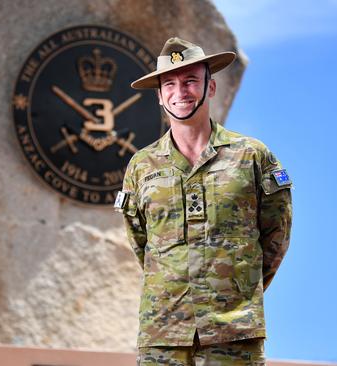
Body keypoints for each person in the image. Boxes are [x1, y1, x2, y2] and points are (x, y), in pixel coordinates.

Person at [114, 37, 293, 366]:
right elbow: (141, 243)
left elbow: (276, 234)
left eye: (190, 81)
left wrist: (237, 289)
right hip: (163, 332)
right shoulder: (141, 166)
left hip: (233, 331)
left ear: (210, 88)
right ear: (159, 95)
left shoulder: (251, 156)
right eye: (169, 83)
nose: (179, 92)